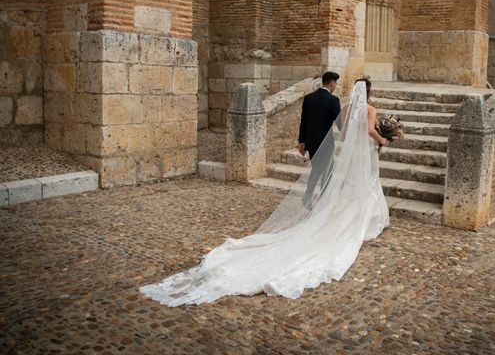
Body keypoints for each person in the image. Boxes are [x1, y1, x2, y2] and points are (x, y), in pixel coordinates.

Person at [140, 79, 389, 306]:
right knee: (363, 184)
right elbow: (368, 130)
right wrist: (382, 139)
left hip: (353, 152)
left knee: (353, 186)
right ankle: (364, 219)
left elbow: (344, 133)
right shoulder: (370, 109)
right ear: (369, 92)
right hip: (363, 152)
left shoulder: (346, 109)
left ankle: (351, 216)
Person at [298, 71, 341, 208]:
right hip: (326, 143)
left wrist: (301, 142)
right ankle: (323, 200)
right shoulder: (333, 100)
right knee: (326, 171)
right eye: (335, 83)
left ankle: (309, 196)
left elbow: (303, 121)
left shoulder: (309, 98)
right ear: (332, 83)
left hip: (311, 142)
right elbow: (339, 122)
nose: (335, 86)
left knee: (317, 169)